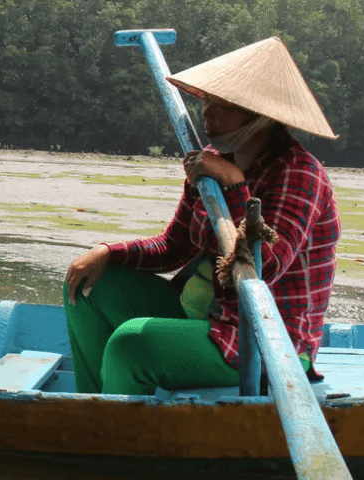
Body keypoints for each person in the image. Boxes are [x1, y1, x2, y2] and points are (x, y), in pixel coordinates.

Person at [63, 36, 341, 395]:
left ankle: (117, 423)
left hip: (269, 340)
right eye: (208, 100)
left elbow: (261, 271)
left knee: (131, 343)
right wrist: (108, 252)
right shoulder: (212, 160)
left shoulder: (299, 174)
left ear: (262, 117)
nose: (207, 113)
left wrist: (235, 186)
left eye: (223, 106)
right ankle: (93, 407)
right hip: (208, 314)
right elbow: (174, 246)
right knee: (88, 285)